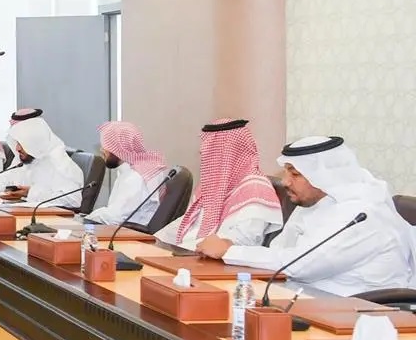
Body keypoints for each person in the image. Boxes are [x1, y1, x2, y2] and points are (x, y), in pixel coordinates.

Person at [199, 136, 416, 296]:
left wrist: (230, 252)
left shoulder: (361, 214)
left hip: (362, 311)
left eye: (295, 174)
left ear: (324, 176)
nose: (285, 182)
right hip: (310, 300)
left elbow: (301, 265)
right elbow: (280, 251)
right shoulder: (313, 203)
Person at [156, 119, 283, 251]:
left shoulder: (255, 190)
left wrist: (178, 251)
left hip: (205, 259)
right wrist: (154, 242)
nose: (203, 158)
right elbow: (187, 224)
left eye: (209, 154)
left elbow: (238, 242)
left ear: (226, 154)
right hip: (185, 254)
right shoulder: (212, 185)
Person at [87, 121, 170, 227]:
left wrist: (86, 219)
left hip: (128, 232)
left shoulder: (135, 177)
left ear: (118, 149)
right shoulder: (138, 169)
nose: (101, 150)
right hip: (120, 228)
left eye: (106, 146)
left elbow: (114, 218)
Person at [5, 109, 86, 208]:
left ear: (33, 141)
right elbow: (9, 178)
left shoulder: (60, 163)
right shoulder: (28, 159)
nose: (17, 148)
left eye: (21, 143)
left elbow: (72, 200)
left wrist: (31, 193)